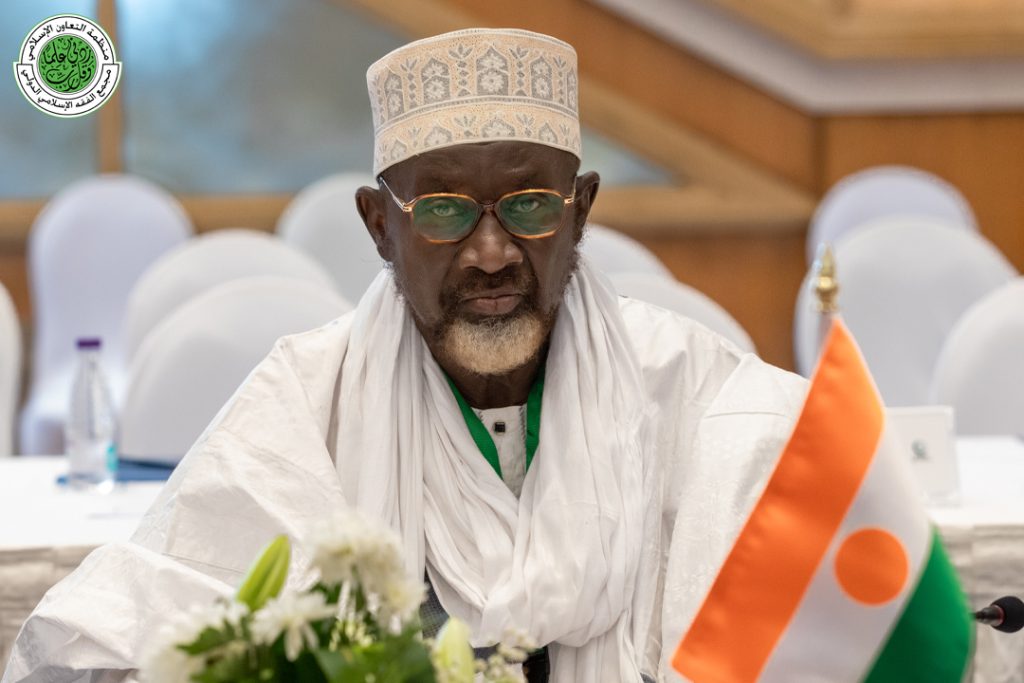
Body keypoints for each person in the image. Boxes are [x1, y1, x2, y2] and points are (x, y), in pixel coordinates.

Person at [3, 28, 805, 682]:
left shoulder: (688, 382)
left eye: (529, 205)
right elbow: (130, 623)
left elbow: (822, 524)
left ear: (581, 211)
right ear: (379, 226)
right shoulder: (308, 399)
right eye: (444, 211)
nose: (491, 252)